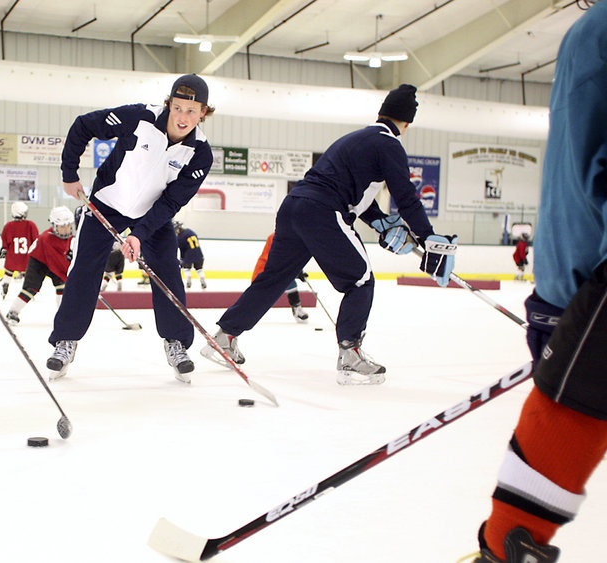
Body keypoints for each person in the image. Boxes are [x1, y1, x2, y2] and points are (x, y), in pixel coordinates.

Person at [201, 84, 457, 385]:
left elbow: (353, 189)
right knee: (360, 278)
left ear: (380, 113)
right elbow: (405, 195)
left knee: (274, 279)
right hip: (322, 211)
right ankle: (350, 354)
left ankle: (225, 336)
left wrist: (379, 221)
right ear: (407, 123)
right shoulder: (390, 144)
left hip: (293, 207)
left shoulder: (354, 139)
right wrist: (428, 237)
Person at [473, 3, 607, 561]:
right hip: (583, 281)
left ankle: (510, 545)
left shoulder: (590, 30)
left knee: (574, 402)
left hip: (575, 280)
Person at [47, 74, 214, 383]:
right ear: (169, 104)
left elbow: (170, 203)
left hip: (152, 215)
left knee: (167, 268)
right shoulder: (139, 117)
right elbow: (84, 125)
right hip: (106, 204)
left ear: (203, 112)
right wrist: (69, 172)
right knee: (84, 269)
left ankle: (176, 342)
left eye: (192, 111)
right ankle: (65, 341)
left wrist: (139, 234)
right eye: (178, 108)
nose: (183, 117)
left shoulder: (200, 154)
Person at [5, 207, 74, 328]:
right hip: (39, 261)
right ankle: (13, 312)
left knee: (62, 287)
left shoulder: (70, 239)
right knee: (31, 289)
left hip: (55, 261)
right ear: (54, 225)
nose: (66, 229)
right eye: (62, 226)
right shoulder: (47, 239)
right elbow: (58, 263)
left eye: (68, 226)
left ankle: (63, 315)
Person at [253, 232, 309, 322]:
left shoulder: (293, 237)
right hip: (264, 270)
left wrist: (299, 271)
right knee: (259, 295)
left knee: (291, 283)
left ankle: (297, 309)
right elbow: (279, 257)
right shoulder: (277, 237)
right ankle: (247, 310)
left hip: (277, 270)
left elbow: (293, 257)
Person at [0, 201, 39, 299]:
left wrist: (4, 250)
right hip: (26, 258)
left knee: (8, 272)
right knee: (28, 275)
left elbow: (5, 241)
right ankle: (29, 292)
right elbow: (36, 240)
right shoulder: (30, 225)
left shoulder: (8, 226)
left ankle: (5, 286)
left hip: (12, 257)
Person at [174, 221, 207, 289]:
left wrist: (182, 258)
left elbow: (181, 249)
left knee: (187, 269)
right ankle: (203, 282)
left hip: (188, 255)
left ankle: (188, 282)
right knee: (199, 269)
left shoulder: (180, 238)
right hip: (199, 254)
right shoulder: (190, 231)